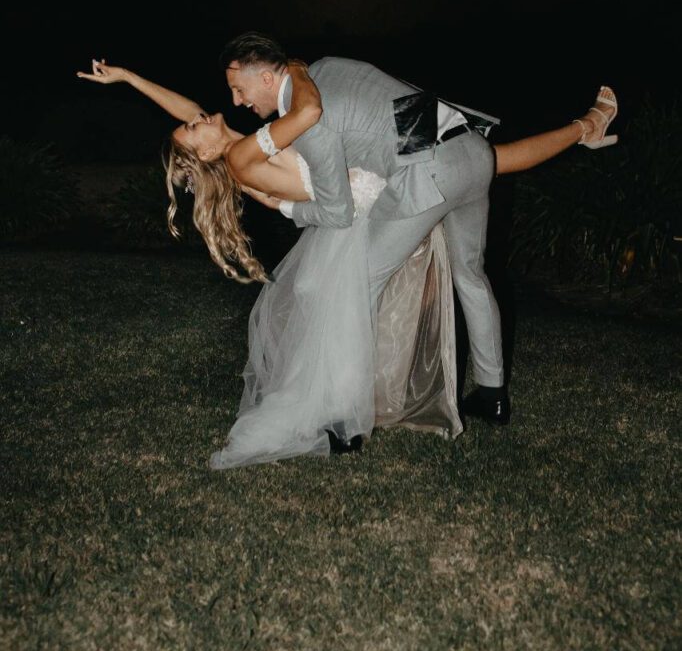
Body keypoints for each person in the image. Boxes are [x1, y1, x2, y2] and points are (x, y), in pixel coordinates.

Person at [77, 55, 618, 466]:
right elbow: (314, 182)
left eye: (197, 118)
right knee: (465, 216)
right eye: (195, 127)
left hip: (388, 181)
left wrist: (129, 79)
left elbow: (192, 113)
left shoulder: (249, 137)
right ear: (206, 153)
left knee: (484, 170)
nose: (205, 114)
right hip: (355, 216)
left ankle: (582, 127)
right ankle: (356, 416)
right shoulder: (244, 159)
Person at [219, 31, 619, 433]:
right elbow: (390, 114)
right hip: (473, 151)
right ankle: (493, 395)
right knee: (471, 274)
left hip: (432, 172)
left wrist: (284, 206)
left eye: (239, 89)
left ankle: (344, 418)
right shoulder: (328, 66)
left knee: (358, 286)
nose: (237, 101)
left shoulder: (307, 123)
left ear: (268, 79)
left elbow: (338, 212)